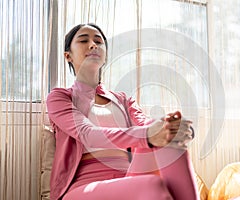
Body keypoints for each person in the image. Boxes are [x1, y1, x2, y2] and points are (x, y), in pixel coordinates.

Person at [46, 23, 199, 200]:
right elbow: (87, 133)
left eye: (98, 41)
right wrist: (149, 134)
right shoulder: (60, 98)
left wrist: (173, 127)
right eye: (83, 40)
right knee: (152, 184)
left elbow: (146, 124)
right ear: (68, 56)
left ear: (105, 56)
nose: (93, 45)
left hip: (128, 178)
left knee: (168, 138)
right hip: (82, 188)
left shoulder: (123, 100)